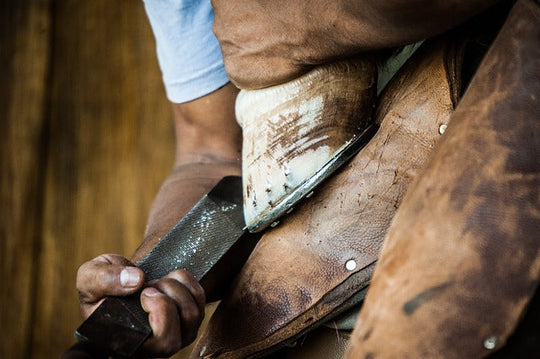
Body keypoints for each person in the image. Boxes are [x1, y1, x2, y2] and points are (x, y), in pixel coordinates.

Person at [73, 0, 538, 358]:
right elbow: (211, 152)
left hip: (487, 215)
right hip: (298, 296)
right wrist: (149, 281)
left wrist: (307, 24)